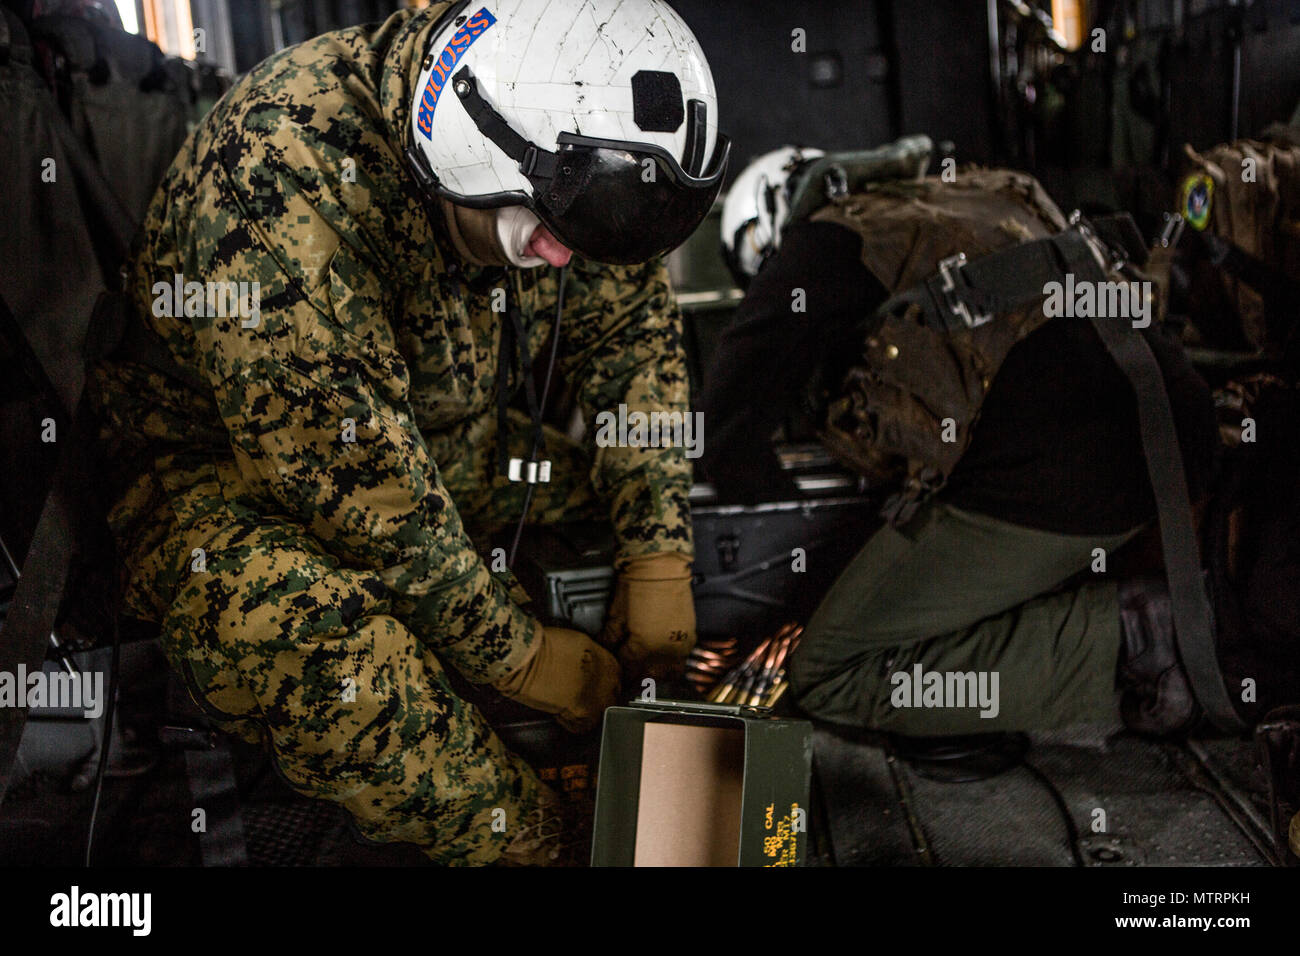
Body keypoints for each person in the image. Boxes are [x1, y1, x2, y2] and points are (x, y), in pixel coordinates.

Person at [87, 0, 728, 865]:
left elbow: (627, 339)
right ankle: (538, 842)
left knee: (610, 506)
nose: (565, 261)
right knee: (315, 639)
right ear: (477, 150)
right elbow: (366, 497)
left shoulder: (567, 126)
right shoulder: (281, 169)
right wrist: (523, 658)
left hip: (441, 444)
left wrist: (658, 554)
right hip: (224, 478)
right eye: (552, 238)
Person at [700, 145, 1242, 740]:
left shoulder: (825, 237)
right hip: (1175, 428)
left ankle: (1135, 645)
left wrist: (750, 505)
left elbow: (736, 397)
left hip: (1070, 470)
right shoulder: (976, 194)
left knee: (831, 670)